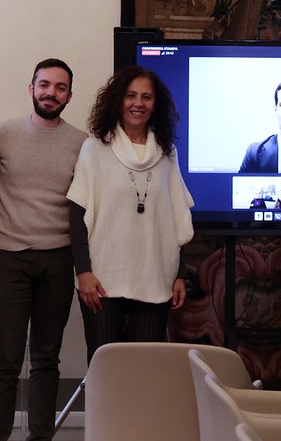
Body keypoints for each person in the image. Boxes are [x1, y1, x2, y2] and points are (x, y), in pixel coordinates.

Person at [0, 59, 87, 441]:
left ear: (69, 96)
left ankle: (40, 435)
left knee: (46, 358)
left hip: (58, 259)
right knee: (7, 358)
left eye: (60, 88)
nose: (51, 93)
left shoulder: (82, 144)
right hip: (7, 257)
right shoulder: (3, 135)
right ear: (31, 88)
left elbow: (86, 207)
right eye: (44, 85)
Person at [67, 65, 194, 363]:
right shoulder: (94, 149)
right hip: (102, 280)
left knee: (145, 369)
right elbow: (76, 215)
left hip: (155, 278)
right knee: (105, 368)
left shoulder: (167, 153)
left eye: (146, 97)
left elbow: (178, 218)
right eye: (131, 96)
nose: (138, 103)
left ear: (155, 104)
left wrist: (179, 275)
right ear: (117, 100)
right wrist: (83, 272)